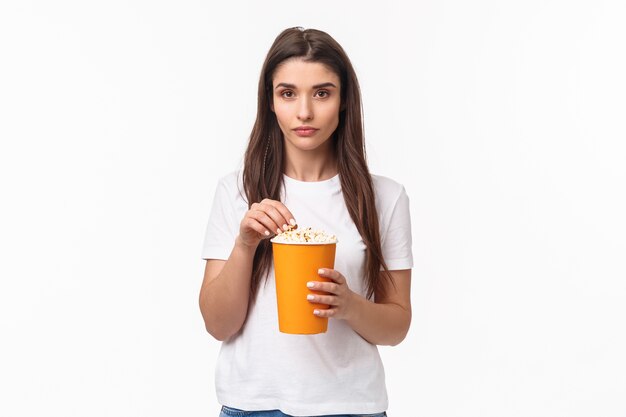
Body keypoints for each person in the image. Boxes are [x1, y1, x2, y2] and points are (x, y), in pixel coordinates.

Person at [199, 27, 413, 417]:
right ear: (270, 101)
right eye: (288, 93)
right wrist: (245, 244)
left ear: (344, 99)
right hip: (253, 406)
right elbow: (218, 324)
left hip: (350, 406)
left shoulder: (384, 197)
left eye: (322, 93)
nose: (304, 112)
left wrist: (349, 305)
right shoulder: (237, 191)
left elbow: (397, 325)